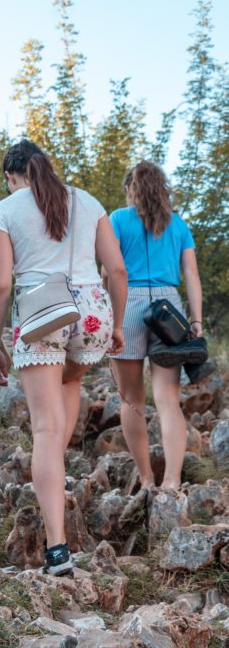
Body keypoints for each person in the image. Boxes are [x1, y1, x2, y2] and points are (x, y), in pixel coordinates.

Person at [0, 140, 127, 575]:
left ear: (12, 177)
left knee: (45, 431)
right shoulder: (87, 201)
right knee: (71, 384)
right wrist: (117, 325)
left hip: (43, 311)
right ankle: (55, 476)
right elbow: (117, 270)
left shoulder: (6, 210)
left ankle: (57, 550)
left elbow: (0, 286)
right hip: (91, 313)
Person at [104, 161, 204, 492]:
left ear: (131, 188)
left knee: (131, 399)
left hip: (127, 304)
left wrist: (108, 312)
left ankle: (147, 479)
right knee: (167, 399)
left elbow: (110, 271)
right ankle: (172, 482)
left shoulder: (117, 219)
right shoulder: (178, 225)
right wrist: (196, 320)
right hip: (168, 310)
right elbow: (191, 274)